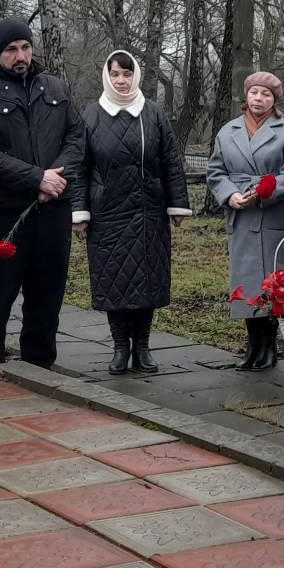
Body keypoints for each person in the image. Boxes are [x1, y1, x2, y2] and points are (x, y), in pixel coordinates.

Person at [0, 17, 84, 367]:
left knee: (47, 298)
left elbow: (77, 137)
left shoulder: (56, 89)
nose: (21, 56)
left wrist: (54, 179)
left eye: (26, 47)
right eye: (12, 49)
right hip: (6, 214)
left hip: (54, 211)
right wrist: (36, 179)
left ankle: (39, 368)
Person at [75, 51, 192, 375]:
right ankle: (119, 347)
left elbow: (170, 161)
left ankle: (142, 347)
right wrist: (79, 212)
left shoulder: (153, 113)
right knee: (114, 280)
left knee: (147, 280)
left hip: (148, 212)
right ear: (107, 76)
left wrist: (177, 204)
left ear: (136, 76)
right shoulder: (92, 115)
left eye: (127, 74)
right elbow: (79, 168)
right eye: (115, 74)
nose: (121, 80)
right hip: (107, 215)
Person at [209, 70, 284, 368]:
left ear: (274, 100)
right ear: (246, 96)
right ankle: (252, 346)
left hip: (273, 216)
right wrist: (230, 195)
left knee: (274, 284)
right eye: (253, 93)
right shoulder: (228, 131)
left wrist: (265, 190)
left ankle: (269, 347)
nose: (258, 99)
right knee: (247, 285)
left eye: (265, 94)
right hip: (242, 217)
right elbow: (216, 171)